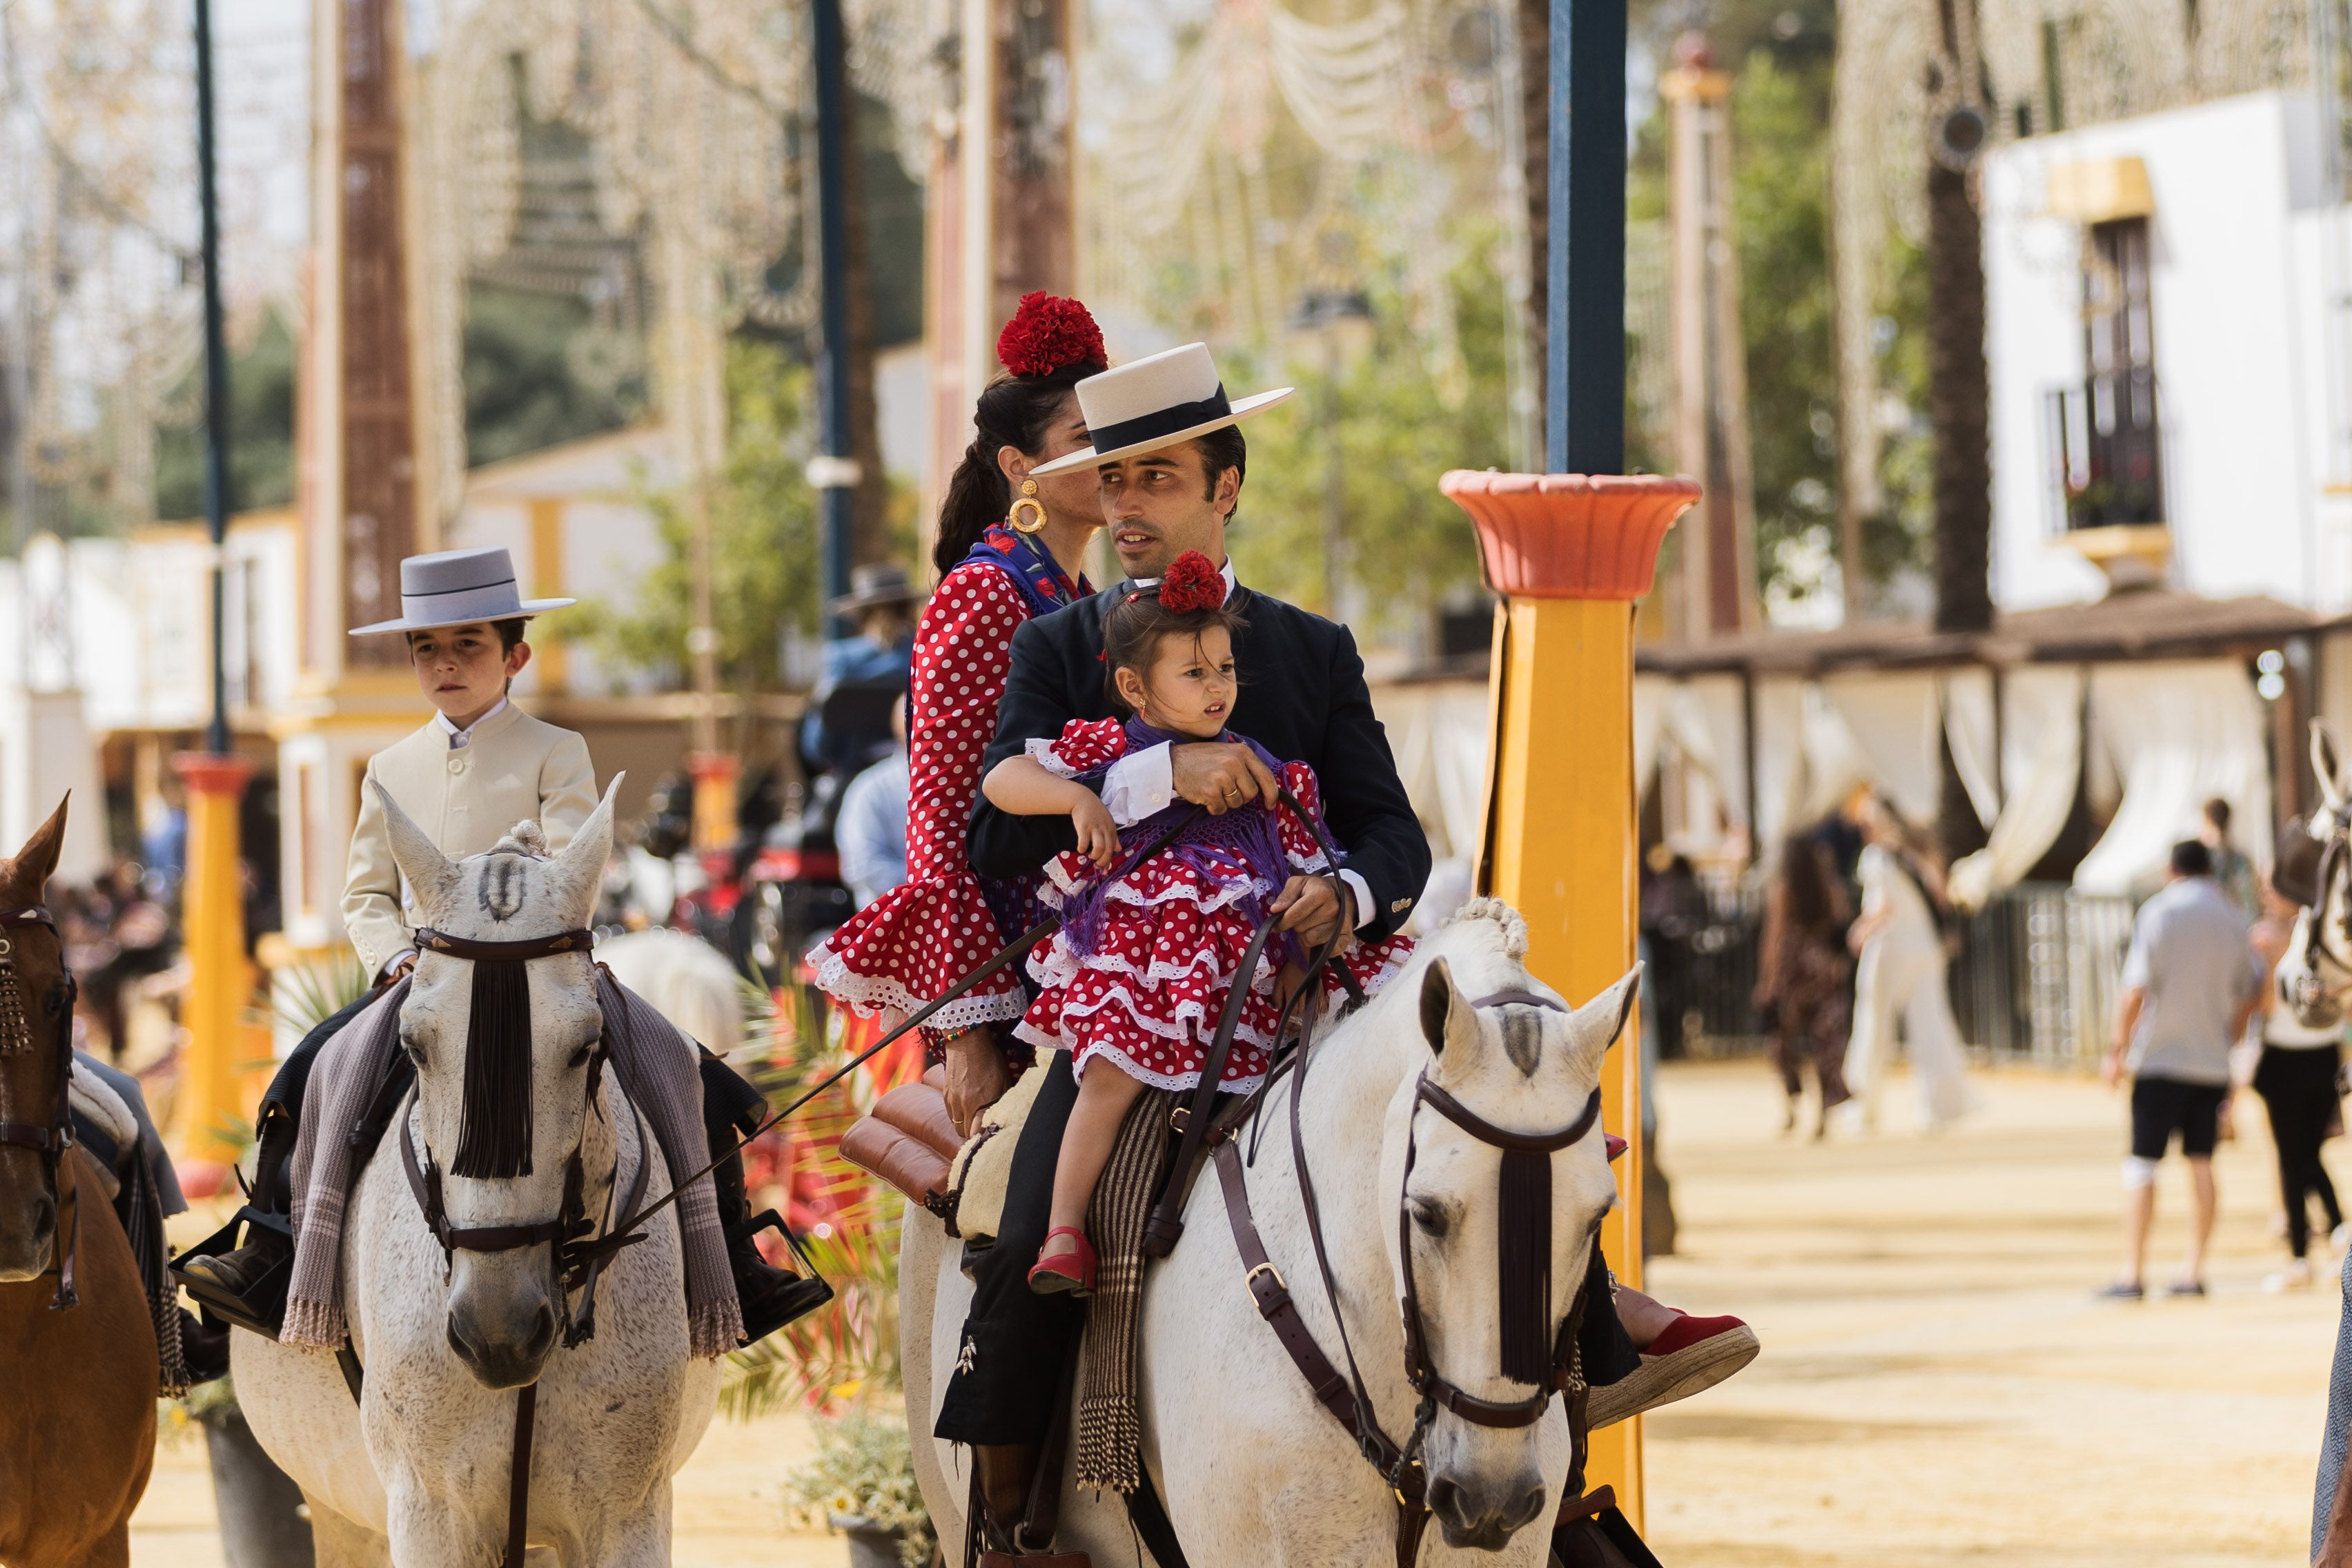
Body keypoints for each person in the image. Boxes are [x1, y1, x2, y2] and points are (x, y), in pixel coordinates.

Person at [938, 341, 1755, 1536]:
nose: (1123, 505)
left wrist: (1344, 891)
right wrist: (1156, 768)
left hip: (1311, 1007)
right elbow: (986, 843)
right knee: (1020, 1237)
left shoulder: (1310, 648)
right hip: (1131, 1009)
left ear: (1225, 488)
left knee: (1498, 1171)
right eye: (1112, 481)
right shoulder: (1058, 648)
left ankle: (1567, 1463)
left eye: (1155, 478)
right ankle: (1013, 1533)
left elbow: (1390, 836)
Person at [178, 547, 821, 1341]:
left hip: (543, 968)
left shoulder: (558, 749)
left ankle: (731, 1265)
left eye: (467, 646)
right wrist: (397, 959)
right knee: (315, 1072)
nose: (446, 664)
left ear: (514, 655)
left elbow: (569, 864)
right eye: (427, 650)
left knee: (681, 1072)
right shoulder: (389, 766)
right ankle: (277, 1258)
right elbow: (364, 894)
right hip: (429, 980)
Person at [983, 554, 1412, 1292]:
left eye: (1225, 668)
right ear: (1133, 687)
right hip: (1156, 948)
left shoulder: (1271, 731)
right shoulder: (1102, 741)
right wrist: (1081, 800)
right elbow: (1000, 784)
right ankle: (1062, 1227)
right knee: (1110, 1073)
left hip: (1253, 931)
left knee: (1354, 1015)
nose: (1218, 687)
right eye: (1196, 674)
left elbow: (1320, 834)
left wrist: (1332, 895)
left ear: (1224, 490)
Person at [811, 291, 1109, 1133]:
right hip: (1014, 976)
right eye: (1088, 441)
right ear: (1020, 466)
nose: (1113, 459)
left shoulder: (1076, 589)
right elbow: (938, 817)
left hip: (1088, 947)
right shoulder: (985, 589)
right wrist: (969, 1022)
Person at [2099, 839, 2263, 1300]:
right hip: (2211, 1061)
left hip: (2160, 1058)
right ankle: (2193, 1271)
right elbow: (2250, 991)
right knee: (2203, 1164)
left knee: (2142, 1166)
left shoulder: (2160, 912)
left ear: (2172, 870)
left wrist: (2116, 1049)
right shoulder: (2233, 918)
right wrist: (2228, 1037)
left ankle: (2133, 1273)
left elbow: (2134, 989)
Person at [1842, 794, 1972, 1133]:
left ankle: (1862, 1106)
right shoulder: (1919, 853)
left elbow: (1882, 907)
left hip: (1891, 948)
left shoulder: (1877, 858)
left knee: (1872, 1025)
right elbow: (1941, 894)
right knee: (1931, 1025)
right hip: (1925, 948)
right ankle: (1939, 1106)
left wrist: (1860, 930)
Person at [2250, 874, 2346, 1291]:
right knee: (2304, 1154)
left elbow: (2265, 1003)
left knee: (2297, 1156)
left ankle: (2304, 1254)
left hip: (2300, 1056)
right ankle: (2336, 1231)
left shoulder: (2290, 936)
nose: (2269, 893)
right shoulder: (2329, 932)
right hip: (2312, 1057)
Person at [1755, 832, 1852, 1139]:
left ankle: (1791, 1108)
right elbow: (1841, 928)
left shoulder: (1783, 891)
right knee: (1824, 1045)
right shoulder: (1829, 889)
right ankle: (1823, 1117)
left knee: (1781, 1042)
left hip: (1792, 974)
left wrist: (1766, 981)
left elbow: (1773, 937)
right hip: (1822, 971)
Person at [799, 565, 925, 783]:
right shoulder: (924, 654)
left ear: (860, 615)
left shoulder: (842, 659)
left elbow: (816, 746)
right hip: (917, 781)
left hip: (851, 781)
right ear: (908, 609)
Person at [836, 696, 912, 910]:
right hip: (890, 922)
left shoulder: (968, 786)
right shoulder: (871, 789)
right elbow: (863, 866)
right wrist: (930, 888)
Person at [2201, 796, 2260, 925]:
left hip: (2212, 924)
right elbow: (2250, 900)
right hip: (2238, 925)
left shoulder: (2202, 857)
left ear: (2207, 819)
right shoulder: (2241, 858)